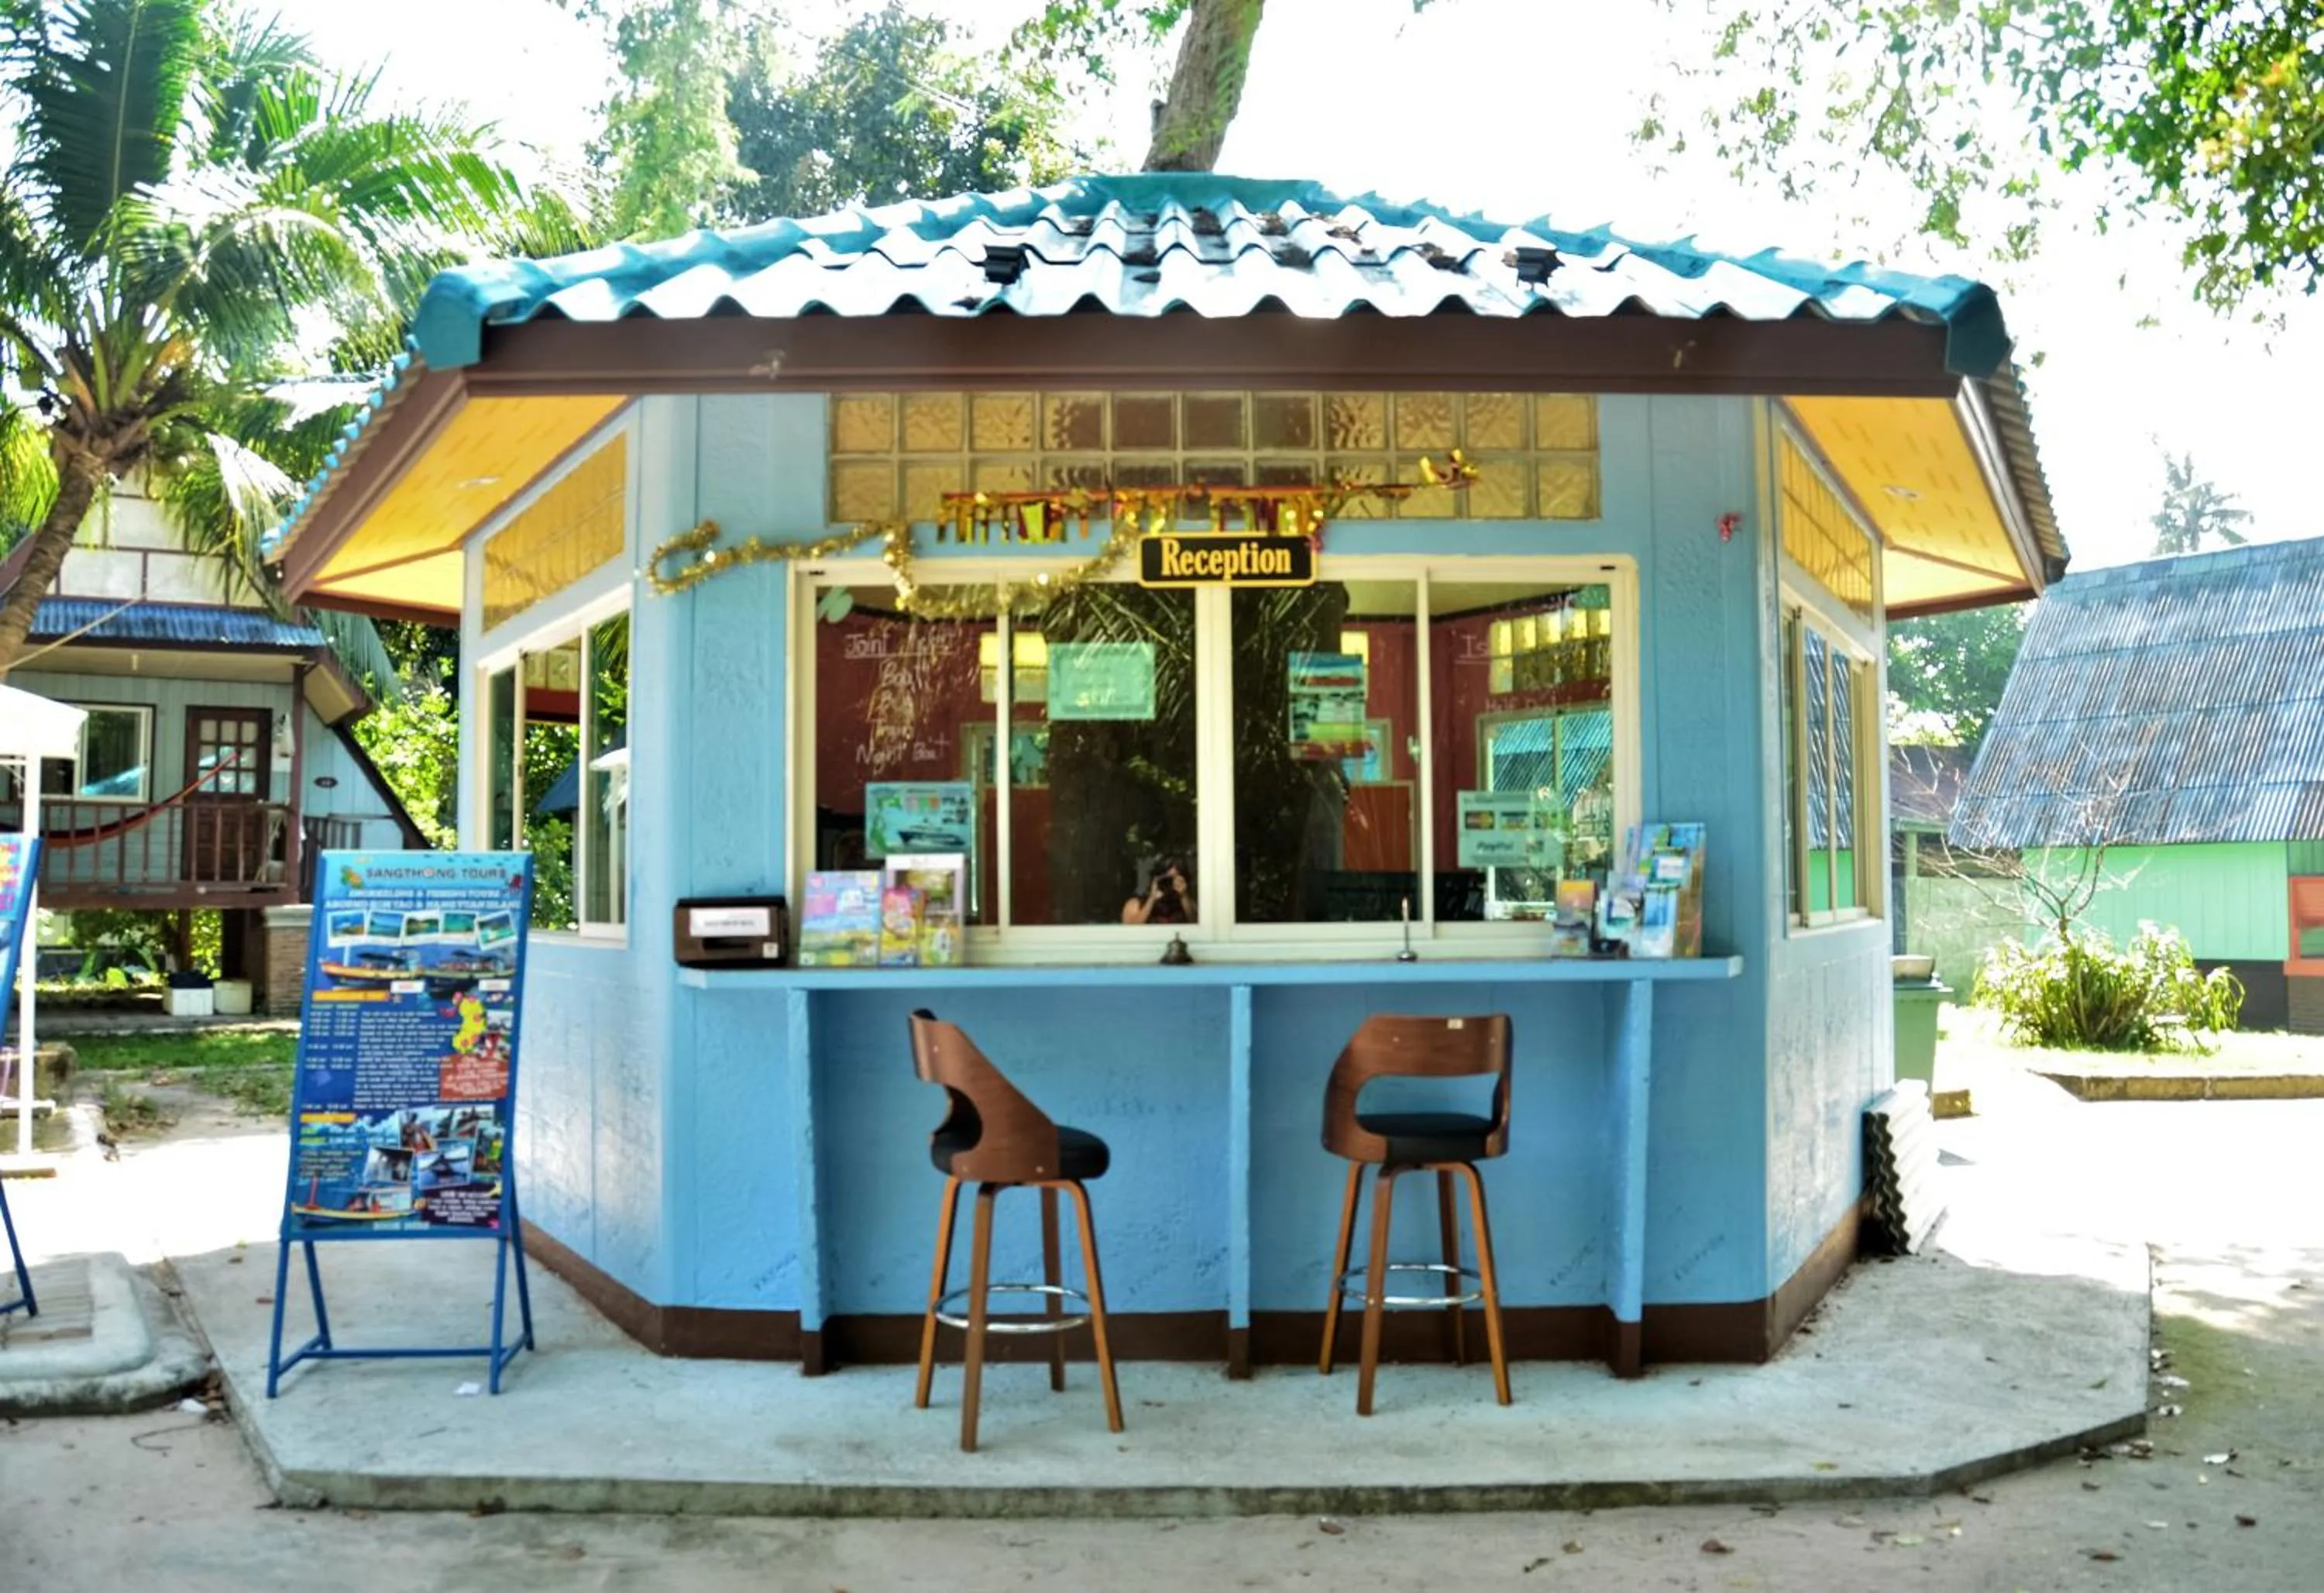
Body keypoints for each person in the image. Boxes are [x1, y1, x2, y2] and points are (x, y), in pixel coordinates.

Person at [1122, 855, 1196, 925]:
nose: (1168, 884)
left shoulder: (1187, 903)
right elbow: (1131, 931)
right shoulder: (1135, 903)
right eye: (1166, 879)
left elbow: (1197, 925)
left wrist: (1184, 896)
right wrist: (1152, 899)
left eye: (1173, 880)